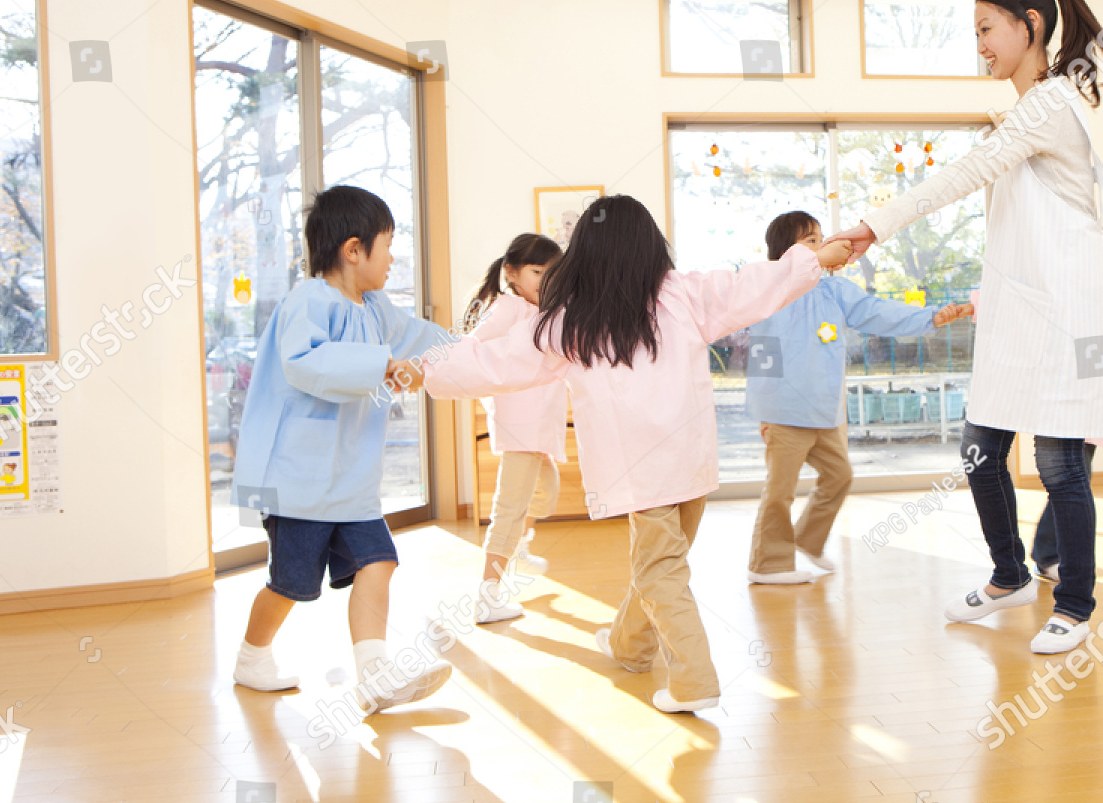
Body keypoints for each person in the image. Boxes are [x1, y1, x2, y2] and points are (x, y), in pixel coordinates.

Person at [420, 196, 855, 712]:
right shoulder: (684, 295)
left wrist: (422, 368)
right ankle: (630, 644)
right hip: (690, 463)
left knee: (659, 568)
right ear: (651, 246)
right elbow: (752, 285)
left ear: (584, 254)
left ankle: (694, 681)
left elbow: (494, 362)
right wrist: (813, 259)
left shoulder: (570, 320)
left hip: (639, 471)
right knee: (663, 563)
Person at [827, 0, 1103, 655]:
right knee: (980, 450)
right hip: (1024, 312)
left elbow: (964, 172)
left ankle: (1074, 603)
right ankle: (1010, 573)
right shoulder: (1030, 110)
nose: (981, 46)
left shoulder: (1048, 104)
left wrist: (875, 225)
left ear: (1031, 25)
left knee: (1060, 465)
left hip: (1075, 312)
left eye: (987, 30)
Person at [230, 184, 454, 712]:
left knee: (378, 561)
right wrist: (382, 365)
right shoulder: (308, 301)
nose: (393, 258)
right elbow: (305, 362)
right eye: (387, 244)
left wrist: (477, 350)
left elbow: (419, 336)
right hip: (300, 482)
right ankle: (251, 656)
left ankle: (374, 675)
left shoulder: (376, 308)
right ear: (354, 250)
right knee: (290, 585)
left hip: (351, 482)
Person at [951, 217, 1103, 582]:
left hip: (1092, 401)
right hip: (1055, 388)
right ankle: (1039, 557)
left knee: (1072, 479)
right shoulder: (1085, 280)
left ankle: (1050, 554)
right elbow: (1033, 298)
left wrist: (1095, 291)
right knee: (1058, 474)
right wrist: (977, 304)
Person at [745, 210, 967, 585]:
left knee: (839, 476)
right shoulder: (769, 285)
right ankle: (767, 563)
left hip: (823, 412)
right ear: (786, 252)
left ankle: (807, 540)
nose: (824, 245)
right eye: (811, 241)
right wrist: (765, 413)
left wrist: (932, 317)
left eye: (821, 238)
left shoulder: (835, 290)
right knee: (780, 491)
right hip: (783, 411)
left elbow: (881, 313)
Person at [461, 233, 567, 622]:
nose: (545, 280)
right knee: (510, 507)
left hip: (540, 427)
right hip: (522, 425)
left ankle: (518, 545)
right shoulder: (507, 308)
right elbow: (472, 349)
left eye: (552, 273)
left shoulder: (545, 311)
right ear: (512, 272)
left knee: (546, 493)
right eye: (537, 271)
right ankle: (488, 595)